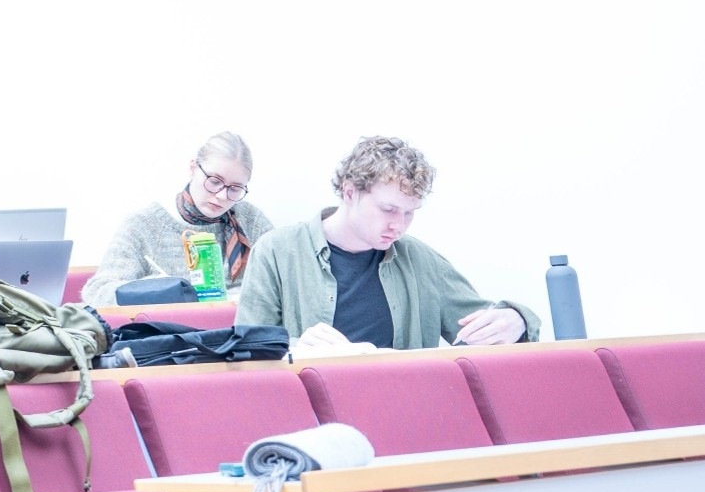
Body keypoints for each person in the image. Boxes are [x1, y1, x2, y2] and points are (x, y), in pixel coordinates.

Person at [237, 136, 537, 349]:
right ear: (350, 192)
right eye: (388, 209)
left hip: (400, 407)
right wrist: (296, 348)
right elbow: (246, 347)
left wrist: (517, 320)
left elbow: (482, 324)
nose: (399, 225)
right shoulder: (277, 251)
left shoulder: (421, 261)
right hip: (310, 412)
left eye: (409, 213)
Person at [82, 131, 274, 304]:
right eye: (214, 181)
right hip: (169, 330)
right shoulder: (144, 225)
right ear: (193, 168)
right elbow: (97, 293)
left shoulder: (251, 221)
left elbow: (284, 282)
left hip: (240, 329)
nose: (222, 196)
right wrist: (152, 291)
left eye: (235, 188)